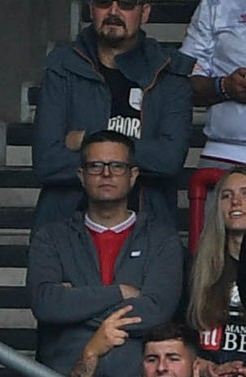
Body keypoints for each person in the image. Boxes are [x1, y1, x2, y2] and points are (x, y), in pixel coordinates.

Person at [28, 138, 187, 377]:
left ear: (133, 175)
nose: (106, 173)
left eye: (117, 165)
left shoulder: (163, 239)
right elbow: (46, 304)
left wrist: (75, 304)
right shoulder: (51, 237)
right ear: (81, 175)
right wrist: (119, 293)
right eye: (95, 166)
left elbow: (157, 312)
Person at [32, 0, 195, 227]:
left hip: (147, 231)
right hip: (67, 228)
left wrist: (90, 138)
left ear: (145, 12)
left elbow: (169, 160)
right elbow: (47, 163)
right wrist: (132, 158)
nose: (113, 12)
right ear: (91, 9)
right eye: (103, 2)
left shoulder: (169, 72)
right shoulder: (62, 66)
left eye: (127, 4)